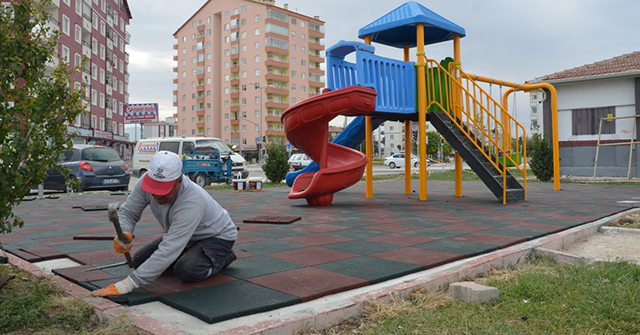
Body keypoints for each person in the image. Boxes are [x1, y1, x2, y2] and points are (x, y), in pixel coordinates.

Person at [92, 151, 238, 297]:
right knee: (139, 261)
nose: (158, 196)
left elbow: (170, 247)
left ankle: (223, 258)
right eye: (154, 189)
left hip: (217, 236)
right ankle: (191, 253)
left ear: (179, 181)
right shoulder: (144, 181)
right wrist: (124, 232)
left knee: (186, 271)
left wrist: (130, 283)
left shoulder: (192, 201)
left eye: (164, 190)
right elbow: (128, 212)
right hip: (184, 236)